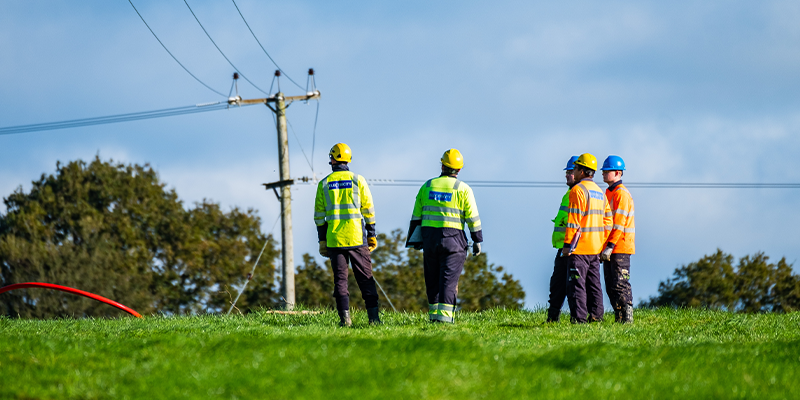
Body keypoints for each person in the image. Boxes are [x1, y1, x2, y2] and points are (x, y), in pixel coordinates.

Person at [406, 149, 482, 323]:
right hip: (453, 242)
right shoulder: (463, 189)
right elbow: (473, 217)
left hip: (430, 240)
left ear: (442, 164)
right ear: (459, 169)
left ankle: (434, 318)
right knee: (448, 281)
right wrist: (477, 239)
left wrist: (415, 240)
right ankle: (445, 320)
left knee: (432, 279)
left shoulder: (427, 186)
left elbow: (416, 216)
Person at [314, 143, 380, 327]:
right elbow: (369, 210)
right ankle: (374, 320)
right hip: (357, 239)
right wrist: (372, 234)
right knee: (366, 279)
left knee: (340, 282)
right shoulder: (358, 180)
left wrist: (322, 240)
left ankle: (345, 321)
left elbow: (319, 216)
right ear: (348, 159)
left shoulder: (324, 184)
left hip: (335, 240)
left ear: (332, 159)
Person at [561, 153, 612, 323]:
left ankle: (579, 320)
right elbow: (608, 222)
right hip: (595, 248)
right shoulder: (599, 192)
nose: (573, 171)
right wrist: (600, 241)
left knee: (577, 285)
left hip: (579, 248)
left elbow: (574, 221)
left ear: (582, 171)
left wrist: (567, 245)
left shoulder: (578, 190)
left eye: (575, 168)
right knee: (594, 285)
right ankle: (597, 317)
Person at [600, 155, 636, 323]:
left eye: (607, 171)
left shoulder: (621, 194)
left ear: (617, 173)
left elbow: (619, 224)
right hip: (611, 246)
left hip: (620, 246)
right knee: (610, 284)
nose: (603, 173)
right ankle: (619, 316)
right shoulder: (609, 192)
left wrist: (610, 246)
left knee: (620, 283)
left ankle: (627, 317)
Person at [546, 156, 579, 323]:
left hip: (574, 248)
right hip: (563, 247)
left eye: (570, 172)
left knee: (574, 287)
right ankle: (552, 318)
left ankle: (577, 319)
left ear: (579, 172)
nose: (567, 175)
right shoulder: (569, 193)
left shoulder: (577, 194)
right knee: (557, 285)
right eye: (566, 172)